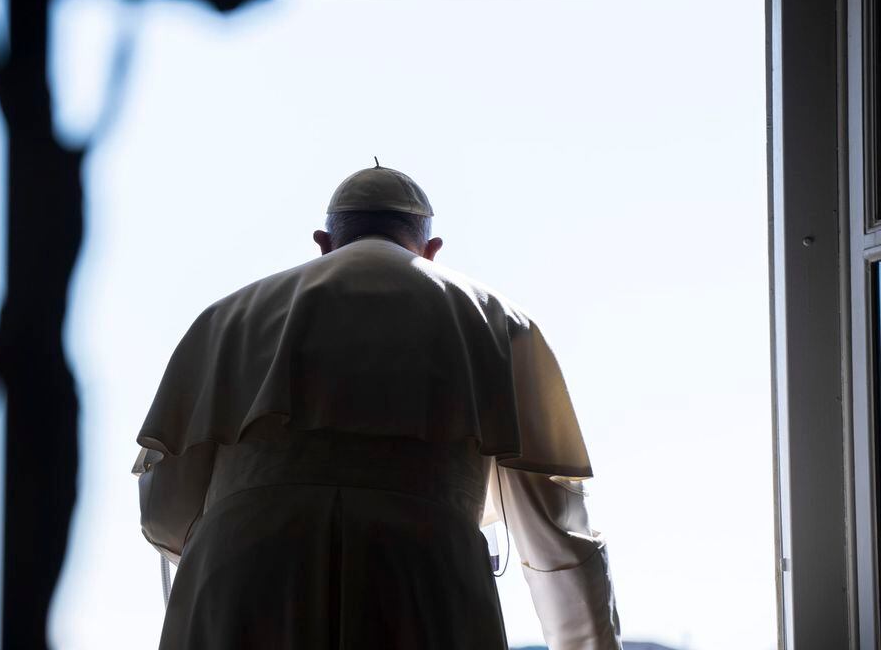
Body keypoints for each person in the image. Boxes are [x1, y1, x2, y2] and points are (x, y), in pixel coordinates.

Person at [132, 163, 622, 649]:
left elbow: (165, 514)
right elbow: (556, 537)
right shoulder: (499, 322)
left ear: (323, 243)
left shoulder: (225, 319)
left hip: (244, 579)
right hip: (420, 579)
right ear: (432, 252)